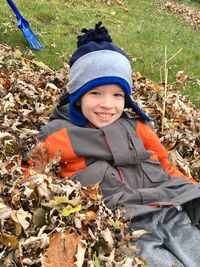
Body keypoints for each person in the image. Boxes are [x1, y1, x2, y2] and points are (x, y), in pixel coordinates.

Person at [24, 22, 200, 266]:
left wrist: (190, 189)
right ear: (78, 96)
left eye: (117, 95)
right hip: (125, 224)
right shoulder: (60, 134)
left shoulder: (138, 127)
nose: (108, 104)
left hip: (167, 209)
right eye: (95, 93)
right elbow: (29, 173)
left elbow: (163, 163)